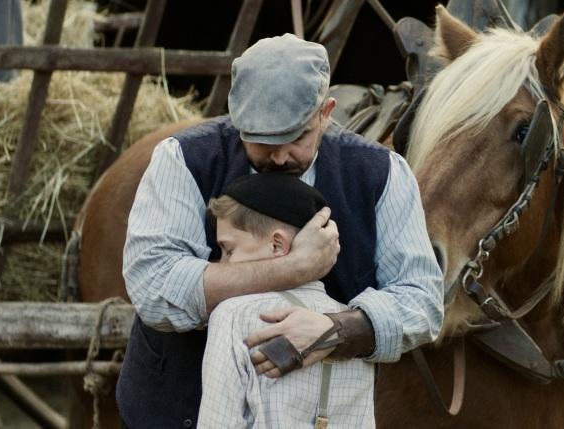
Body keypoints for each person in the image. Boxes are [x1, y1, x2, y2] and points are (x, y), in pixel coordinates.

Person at [118, 33, 443, 428]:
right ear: (237, 119)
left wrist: (333, 330)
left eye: (296, 138)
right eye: (262, 141)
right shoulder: (184, 159)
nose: (279, 155)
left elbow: (422, 300)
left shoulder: (382, 174)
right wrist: (296, 267)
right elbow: (153, 284)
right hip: (179, 411)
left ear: (326, 112)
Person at [198, 173, 374, 428]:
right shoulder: (354, 328)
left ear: (277, 245)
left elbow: (218, 422)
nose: (221, 264)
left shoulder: (233, 314)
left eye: (229, 250)